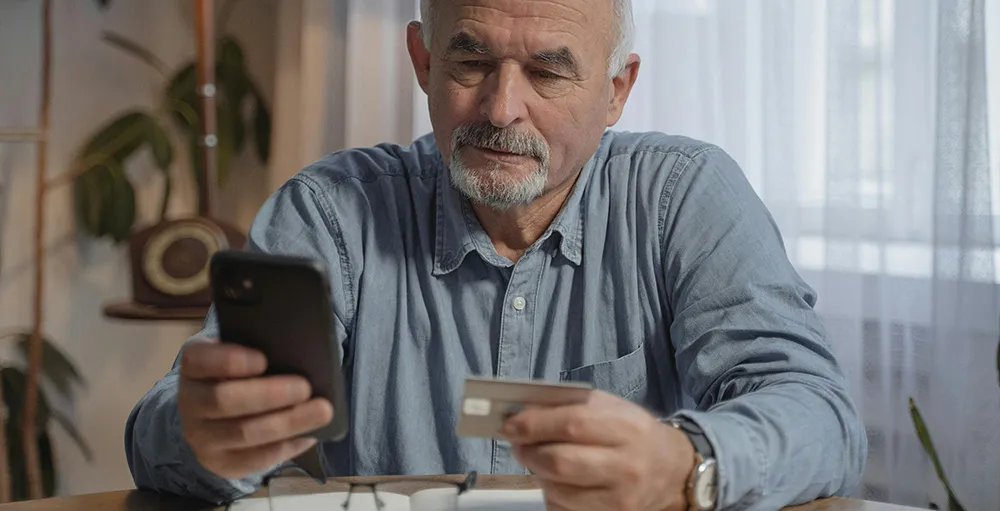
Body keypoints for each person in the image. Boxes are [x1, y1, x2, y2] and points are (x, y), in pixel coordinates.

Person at [125, 0, 867, 509]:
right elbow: (160, 428)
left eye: (547, 71)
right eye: (470, 61)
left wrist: (687, 464)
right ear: (422, 59)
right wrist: (205, 433)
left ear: (616, 90)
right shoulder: (333, 212)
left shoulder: (683, 196)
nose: (502, 108)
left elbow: (821, 416)